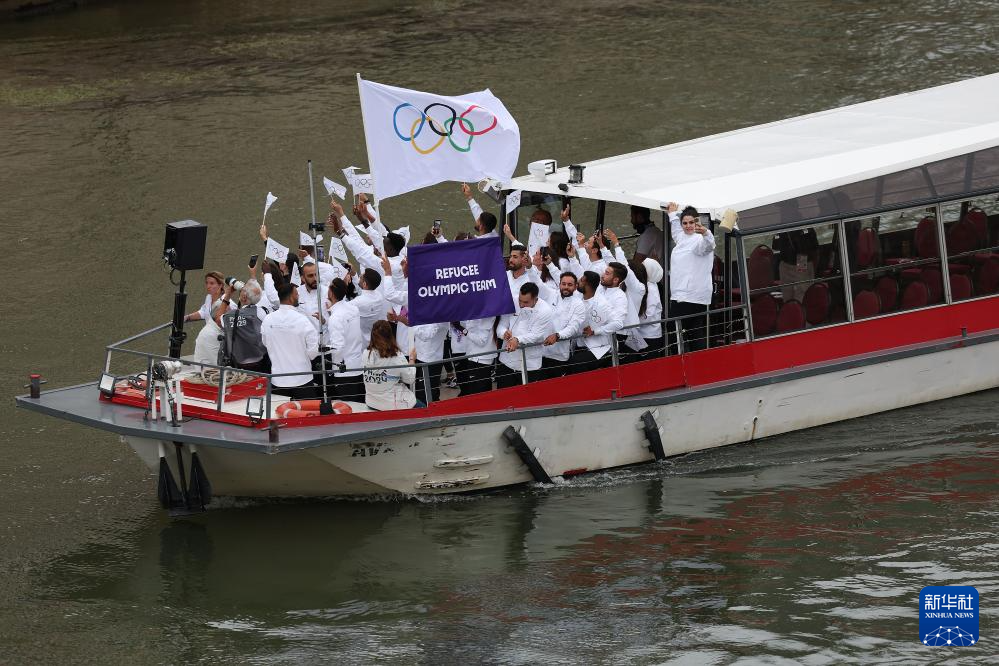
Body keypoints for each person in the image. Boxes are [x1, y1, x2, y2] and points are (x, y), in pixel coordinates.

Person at [667, 202, 716, 352]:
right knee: (693, 332)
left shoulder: (698, 241)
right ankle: (696, 362)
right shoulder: (682, 237)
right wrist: (672, 216)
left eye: (691, 222)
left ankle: (681, 363)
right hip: (684, 295)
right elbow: (676, 233)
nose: (688, 226)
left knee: (673, 331)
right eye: (685, 223)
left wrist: (706, 233)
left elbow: (708, 246)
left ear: (697, 222)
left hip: (689, 296)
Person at [261, 282, 320, 399]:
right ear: (291, 297)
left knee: (278, 416)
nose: (298, 297)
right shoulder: (303, 320)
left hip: (278, 380)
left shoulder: (267, 320)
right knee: (306, 415)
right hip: (302, 379)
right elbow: (313, 352)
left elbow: (265, 343)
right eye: (297, 294)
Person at [496, 283, 555, 388]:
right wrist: (503, 333)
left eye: (526, 302)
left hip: (530, 365)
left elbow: (536, 335)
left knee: (527, 399)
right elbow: (501, 325)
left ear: (535, 299)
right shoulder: (512, 302)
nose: (521, 305)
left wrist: (517, 339)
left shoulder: (545, 310)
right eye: (520, 300)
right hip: (506, 361)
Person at [568, 270, 624, 373]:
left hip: (600, 347)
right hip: (580, 344)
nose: (578, 283)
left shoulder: (602, 304)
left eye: (580, 280)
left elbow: (618, 323)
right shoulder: (578, 298)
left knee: (575, 363)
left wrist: (595, 331)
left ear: (587, 284)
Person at [216, 278, 270, 373]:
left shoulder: (230, 315)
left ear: (244, 297)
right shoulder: (263, 312)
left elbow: (218, 319)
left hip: (238, 365)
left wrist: (227, 295)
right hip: (261, 362)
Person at [362, 320, 418, 411]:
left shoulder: (366, 353)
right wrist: (412, 360)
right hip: (392, 404)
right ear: (390, 335)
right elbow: (410, 379)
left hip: (372, 402)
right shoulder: (395, 356)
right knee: (424, 408)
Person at [325, 278, 365, 403]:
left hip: (344, 371)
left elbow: (338, 346)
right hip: (358, 365)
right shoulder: (353, 309)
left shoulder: (336, 317)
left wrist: (321, 349)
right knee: (360, 405)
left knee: (349, 407)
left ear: (331, 293)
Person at [541, 272, 586, 379]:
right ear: (559, 284)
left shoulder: (578, 304)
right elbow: (538, 284)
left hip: (559, 355)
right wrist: (529, 268)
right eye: (563, 284)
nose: (566, 287)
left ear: (575, 287)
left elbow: (573, 327)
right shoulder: (550, 294)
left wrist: (557, 335)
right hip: (540, 352)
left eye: (570, 285)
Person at [352, 268, 388, 343]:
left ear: (365, 284)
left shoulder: (358, 302)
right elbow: (362, 291)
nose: (359, 276)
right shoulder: (378, 296)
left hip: (362, 343)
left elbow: (341, 308)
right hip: (375, 339)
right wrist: (354, 275)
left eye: (360, 277)